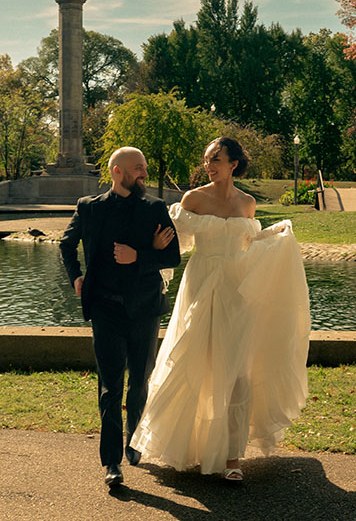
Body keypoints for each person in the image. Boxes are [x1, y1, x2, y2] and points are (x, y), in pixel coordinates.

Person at [128, 137, 311, 481]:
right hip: (201, 284)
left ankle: (231, 459)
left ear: (234, 164)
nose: (210, 165)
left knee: (238, 370)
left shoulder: (248, 203)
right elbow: (177, 245)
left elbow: (249, 245)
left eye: (217, 159)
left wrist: (276, 236)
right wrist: (153, 247)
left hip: (237, 291)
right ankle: (188, 446)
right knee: (193, 358)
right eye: (207, 159)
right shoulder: (193, 199)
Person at [59, 146, 180, 487]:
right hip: (105, 310)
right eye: (138, 168)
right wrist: (76, 277)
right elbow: (66, 245)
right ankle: (112, 462)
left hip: (144, 309)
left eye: (144, 167)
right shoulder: (88, 207)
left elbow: (173, 256)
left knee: (139, 381)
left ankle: (135, 440)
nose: (144, 173)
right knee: (110, 387)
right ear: (117, 172)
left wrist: (139, 256)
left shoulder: (155, 208)